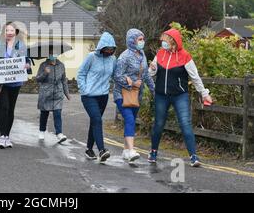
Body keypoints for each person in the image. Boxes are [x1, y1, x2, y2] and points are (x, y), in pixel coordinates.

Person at [148, 28, 212, 167]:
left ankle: (193, 156)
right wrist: (152, 68)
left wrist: (204, 93)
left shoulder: (185, 56)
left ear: (173, 42)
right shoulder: (160, 54)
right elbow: (151, 73)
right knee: (158, 124)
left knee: (185, 124)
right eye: (163, 40)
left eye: (165, 40)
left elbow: (195, 77)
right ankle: (153, 152)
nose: (163, 42)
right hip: (161, 96)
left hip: (180, 96)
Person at [0, 21, 32, 149]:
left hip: (16, 82)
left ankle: (7, 136)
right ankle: (1, 136)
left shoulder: (21, 45)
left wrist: (27, 65)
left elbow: (27, 60)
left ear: (16, 32)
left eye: (12, 30)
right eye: (7, 30)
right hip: (2, 82)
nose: (10, 33)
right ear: (4, 32)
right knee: (4, 107)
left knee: (11, 109)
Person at [113, 29, 155, 162]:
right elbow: (116, 76)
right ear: (132, 41)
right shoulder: (124, 57)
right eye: (139, 39)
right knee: (130, 119)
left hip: (136, 95)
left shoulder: (142, 55)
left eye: (143, 39)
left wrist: (154, 91)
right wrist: (130, 84)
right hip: (122, 94)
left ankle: (125, 151)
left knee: (130, 120)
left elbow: (146, 75)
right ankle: (131, 150)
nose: (142, 42)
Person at [77, 32, 116, 164]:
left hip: (103, 96)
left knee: (95, 121)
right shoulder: (91, 57)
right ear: (102, 47)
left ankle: (89, 149)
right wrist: (84, 89)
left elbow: (115, 75)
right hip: (89, 96)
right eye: (108, 48)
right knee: (97, 119)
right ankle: (101, 150)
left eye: (112, 49)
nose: (110, 51)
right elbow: (81, 73)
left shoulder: (113, 59)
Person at [36, 47, 70, 143]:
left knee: (57, 113)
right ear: (48, 55)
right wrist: (45, 73)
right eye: (50, 54)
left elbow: (64, 80)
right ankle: (42, 131)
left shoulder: (61, 65)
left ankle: (59, 133)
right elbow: (38, 79)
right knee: (44, 113)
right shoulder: (43, 65)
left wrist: (66, 93)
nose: (52, 56)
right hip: (46, 93)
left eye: (54, 53)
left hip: (57, 93)